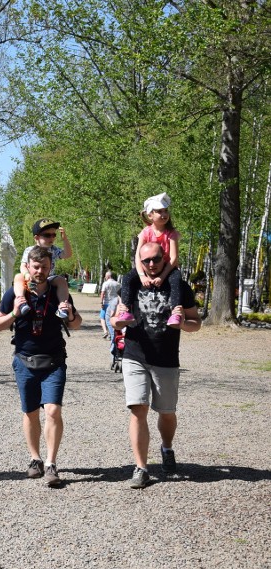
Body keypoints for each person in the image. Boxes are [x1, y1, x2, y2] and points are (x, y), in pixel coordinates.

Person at [110, 242, 201, 489]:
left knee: (167, 412)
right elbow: (115, 322)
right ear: (140, 261)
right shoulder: (130, 284)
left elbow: (196, 322)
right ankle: (141, 468)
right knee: (138, 408)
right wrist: (118, 319)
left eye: (156, 259)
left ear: (165, 259)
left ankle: (167, 447)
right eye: (146, 259)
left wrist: (182, 323)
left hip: (166, 358)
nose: (151, 264)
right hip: (134, 355)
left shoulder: (179, 286)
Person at [0, 246, 83, 488]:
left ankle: (52, 464)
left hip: (54, 361)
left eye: (44, 267)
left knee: (53, 410)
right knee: (31, 412)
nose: (40, 271)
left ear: (50, 267)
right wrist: (14, 313)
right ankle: (35, 459)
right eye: (36, 267)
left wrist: (71, 314)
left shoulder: (58, 293)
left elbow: (76, 325)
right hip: (24, 361)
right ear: (28, 268)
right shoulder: (16, 292)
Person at [116, 192, 184, 329]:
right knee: (128, 278)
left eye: (165, 211)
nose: (164, 214)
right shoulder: (145, 232)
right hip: (146, 268)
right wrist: (141, 275)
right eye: (159, 211)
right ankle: (125, 311)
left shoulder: (171, 233)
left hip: (167, 268)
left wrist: (163, 275)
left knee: (176, 279)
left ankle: (175, 313)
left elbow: (174, 258)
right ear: (150, 215)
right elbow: (138, 257)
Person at [14, 218, 73, 319]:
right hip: (32, 278)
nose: (52, 238)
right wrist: (27, 275)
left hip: (49, 278)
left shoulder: (53, 250)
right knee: (18, 277)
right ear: (36, 237)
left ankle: (62, 306)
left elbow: (67, 254)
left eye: (54, 235)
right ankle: (22, 302)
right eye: (47, 235)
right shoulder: (29, 250)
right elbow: (23, 266)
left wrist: (65, 239)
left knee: (61, 280)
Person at [99, 271, 121, 338]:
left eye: (105, 276)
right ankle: (113, 331)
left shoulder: (105, 283)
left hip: (106, 303)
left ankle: (105, 331)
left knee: (102, 317)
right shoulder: (118, 284)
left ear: (108, 276)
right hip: (115, 304)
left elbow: (102, 293)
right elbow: (120, 294)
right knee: (112, 318)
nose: (105, 277)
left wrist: (101, 302)